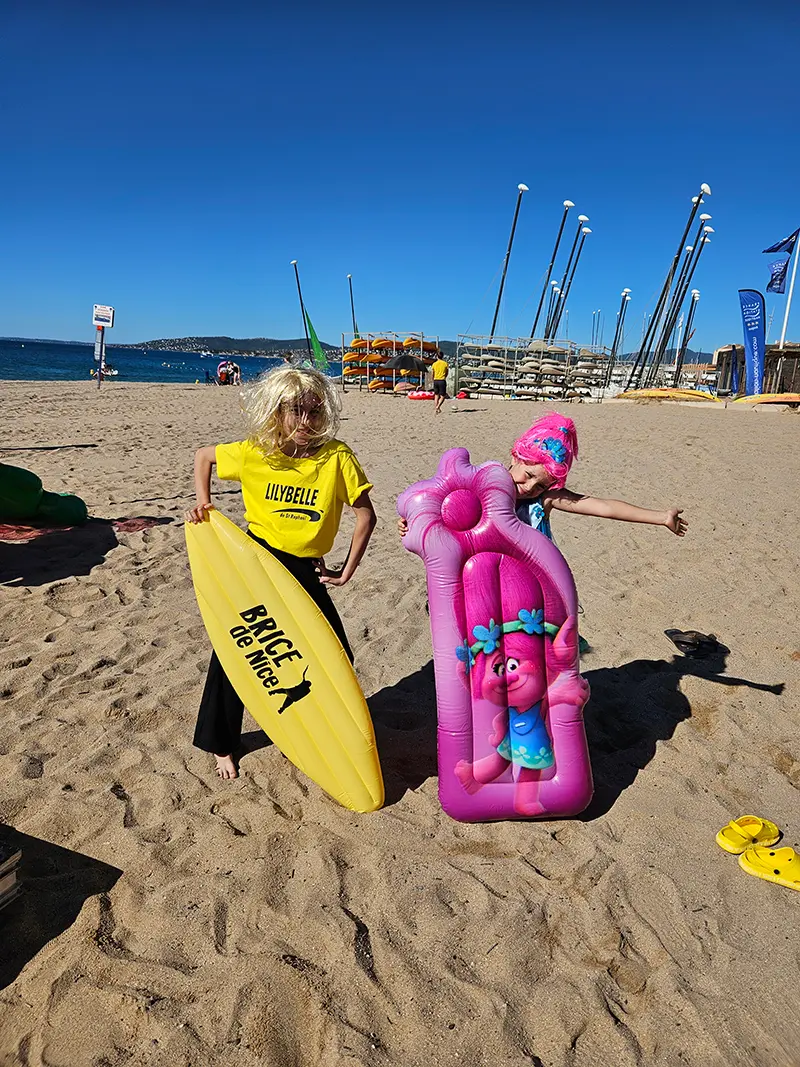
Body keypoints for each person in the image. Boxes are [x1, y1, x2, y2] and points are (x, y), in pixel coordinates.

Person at [185, 366, 377, 780]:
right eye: (295, 411)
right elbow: (203, 457)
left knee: (335, 657)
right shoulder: (257, 452)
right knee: (236, 654)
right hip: (256, 564)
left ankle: (311, 733)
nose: (305, 421)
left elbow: (366, 517)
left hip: (305, 570)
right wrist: (205, 504)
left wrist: (346, 570)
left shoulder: (336, 456)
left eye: (313, 411)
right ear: (276, 412)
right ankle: (222, 744)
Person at [398, 411, 687, 540]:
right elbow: (444, 504)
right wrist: (412, 519)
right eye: (528, 474)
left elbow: (602, 507)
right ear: (515, 456)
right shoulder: (480, 486)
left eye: (542, 484)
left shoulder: (543, 501)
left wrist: (660, 517)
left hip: (532, 597)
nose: (530, 486)